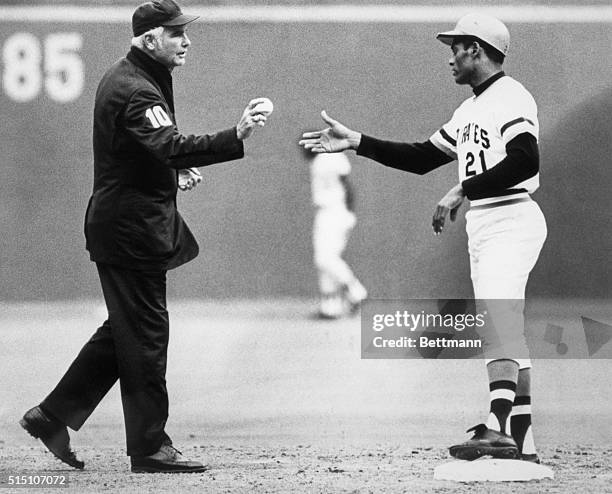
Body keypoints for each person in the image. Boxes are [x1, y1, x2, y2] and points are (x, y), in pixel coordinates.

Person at [19, 0, 269, 474]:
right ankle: (149, 447)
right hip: (131, 232)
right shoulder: (137, 89)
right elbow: (168, 144)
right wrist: (233, 135)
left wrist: (173, 171)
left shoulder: (130, 77)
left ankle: (51, 415)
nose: (186, 40)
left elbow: (142, 150)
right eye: (176, 33)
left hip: (123, 224)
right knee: (147, 337)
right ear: (150, 39)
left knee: (126, 332)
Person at [300, 13, 546, 463]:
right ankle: (522, 440)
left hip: (510, 217)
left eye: (455, 47)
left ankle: (496, 428)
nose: (450, 57)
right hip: (488, 222)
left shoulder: (510, 97)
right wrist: (357, 141)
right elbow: (421, 158)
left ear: (476, 48)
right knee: (507, 326)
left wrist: (462, 188)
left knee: (499, 322)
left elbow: (525, 160)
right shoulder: (470, 108)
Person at [308, 150, 367, 318]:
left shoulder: (329, 158)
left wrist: (347, 212)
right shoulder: (320, 160)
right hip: (330, 212)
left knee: (324, 258)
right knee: (327, 259)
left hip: (333, 212)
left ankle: (356, 291)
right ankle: (330, 307)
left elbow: (347, 184)